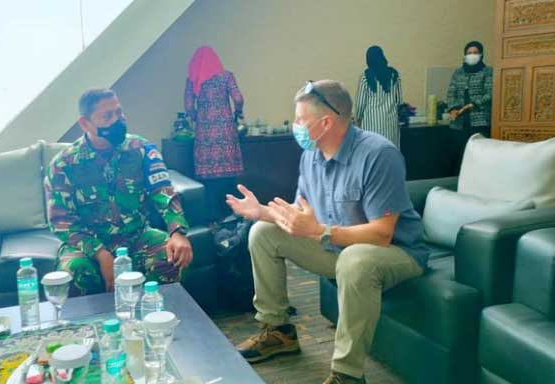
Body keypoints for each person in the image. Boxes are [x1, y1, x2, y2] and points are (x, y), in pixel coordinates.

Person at [227, 80, 428, 384]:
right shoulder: (312, 156)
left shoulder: (378, 155)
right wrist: (262, 212)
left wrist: (320, 231)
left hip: (396, 252)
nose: (294, 126)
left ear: (326, 122)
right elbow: (301, 215)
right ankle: (279, 331)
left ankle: (347, 374)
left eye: (300, 119)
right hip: (339, 249)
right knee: (263, 232)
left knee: (355, 260)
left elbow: (382, 234)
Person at [45, 89, 193, 295]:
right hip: (86, 245)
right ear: (85, 123)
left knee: (171, 255)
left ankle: (155, 313)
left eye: (119, 113)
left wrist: (177, 231)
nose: (117, 120)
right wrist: (101, 253)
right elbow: (61, 221)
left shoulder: (141, 149)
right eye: (107, 116)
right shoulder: (63, 164)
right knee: (74, 270)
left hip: (136, 236)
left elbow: (163, 190)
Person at [185, 45, 244, 221]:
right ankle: (233, 217)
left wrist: (198, 117)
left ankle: (213, 220)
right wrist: (237, 112)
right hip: (226, 131)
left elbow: (188, 106)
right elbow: (238, 98)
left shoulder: (193, 80)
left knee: (209, 182)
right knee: (228, 178)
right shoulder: (226, 76)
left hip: (204, 134)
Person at [446, 40, 493, 174]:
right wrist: (453, 109)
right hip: (459, 121)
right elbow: (451, 92)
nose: (472, 55)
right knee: (460, 154)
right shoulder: (458, 73)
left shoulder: (488, 72)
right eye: (469, 53)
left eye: (475, 52)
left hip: (480, 121)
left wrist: (473, 104)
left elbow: (490, 93)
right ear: (465, 55)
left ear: (481, 54)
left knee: (479, 155)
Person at [354, 46, 403, 147]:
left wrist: (357, 119)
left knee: (372, 153)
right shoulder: (394, 75)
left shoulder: (365, 77)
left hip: (371, 125)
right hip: (391, 124)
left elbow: (360, 104)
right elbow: (399, 101)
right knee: (390, 153)